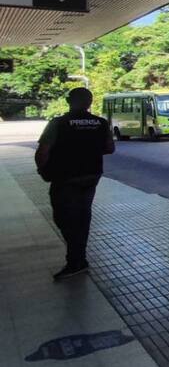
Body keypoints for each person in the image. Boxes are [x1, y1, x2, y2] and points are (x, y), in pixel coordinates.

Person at [34, 87, 114, 280]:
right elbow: (110, 148)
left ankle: (75, 261)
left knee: (64, 218)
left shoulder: (59, 123)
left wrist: (42, 171)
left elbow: (43, 152)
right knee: (83, 215)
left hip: (66, 177)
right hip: (91, 176)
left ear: (70, 101)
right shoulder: (101, 123)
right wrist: (88, 151)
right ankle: (79, 257)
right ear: (89, 102)